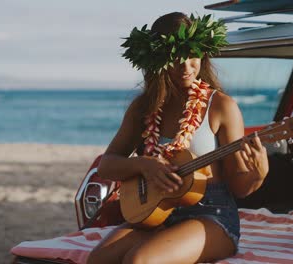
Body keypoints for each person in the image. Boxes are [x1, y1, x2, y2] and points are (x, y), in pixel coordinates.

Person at [87, 12, 269, 264]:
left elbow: (240, 188)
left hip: (211, 217)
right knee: (98, 259)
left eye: (192, 55)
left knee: (140, 261)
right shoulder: (143, 108)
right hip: (155, 214)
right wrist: (144, 164)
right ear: (157, 62)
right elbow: (107, 165)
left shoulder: (220, 107)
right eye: (175, 58)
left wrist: (257, 174)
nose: (186, 66)